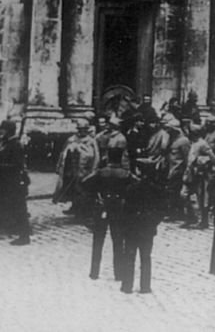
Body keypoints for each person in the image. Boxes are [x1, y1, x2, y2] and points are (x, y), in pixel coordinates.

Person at [83, 148, 134, 282]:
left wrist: (95, 196)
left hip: (102, 208)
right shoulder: (126, 174)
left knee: (98, 241)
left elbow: (85, 183)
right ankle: (118, 274)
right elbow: (136, 185)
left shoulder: (101, 173)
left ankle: (94, 272)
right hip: (118, 209)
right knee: (118, 241)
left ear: (109, 158)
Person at [121, 175, 165, 294]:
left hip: (132, 228)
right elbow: (162, 210)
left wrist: (125, 224)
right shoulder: (156, 190)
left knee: (129, 256)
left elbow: (125, 210)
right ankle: (145, 286)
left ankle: (127, 285)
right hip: (147, 229)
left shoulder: (131, 189)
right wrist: (153, 223)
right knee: (146, 257)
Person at [53, 120, 99, 217]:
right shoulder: (71, 139)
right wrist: (59, 167)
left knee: (84, 190)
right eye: (80, 129)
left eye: (84, 130)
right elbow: (63, 154)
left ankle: (84, 210)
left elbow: (95, 156)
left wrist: (94, 169)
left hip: (86, 170)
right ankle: (74, 207)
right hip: (72, 169)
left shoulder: (91, 141)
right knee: (73, 189)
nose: (82, 132)